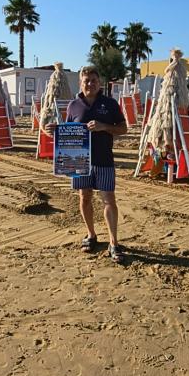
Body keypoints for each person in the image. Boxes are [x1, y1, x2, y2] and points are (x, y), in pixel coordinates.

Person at [59, 66, 127, 263]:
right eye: (86, 80)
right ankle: (91, 235)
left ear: (100, 83)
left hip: (104, 159)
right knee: (84, 198)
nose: (90, 84)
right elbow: (67, 132)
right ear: (81, 82)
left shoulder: (110, 104)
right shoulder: (73, 106)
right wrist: (52, 131)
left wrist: (104, 126)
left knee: (109, 200)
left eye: (93, 81)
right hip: (79, 160)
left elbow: (123, 128)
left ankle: (113, 243)